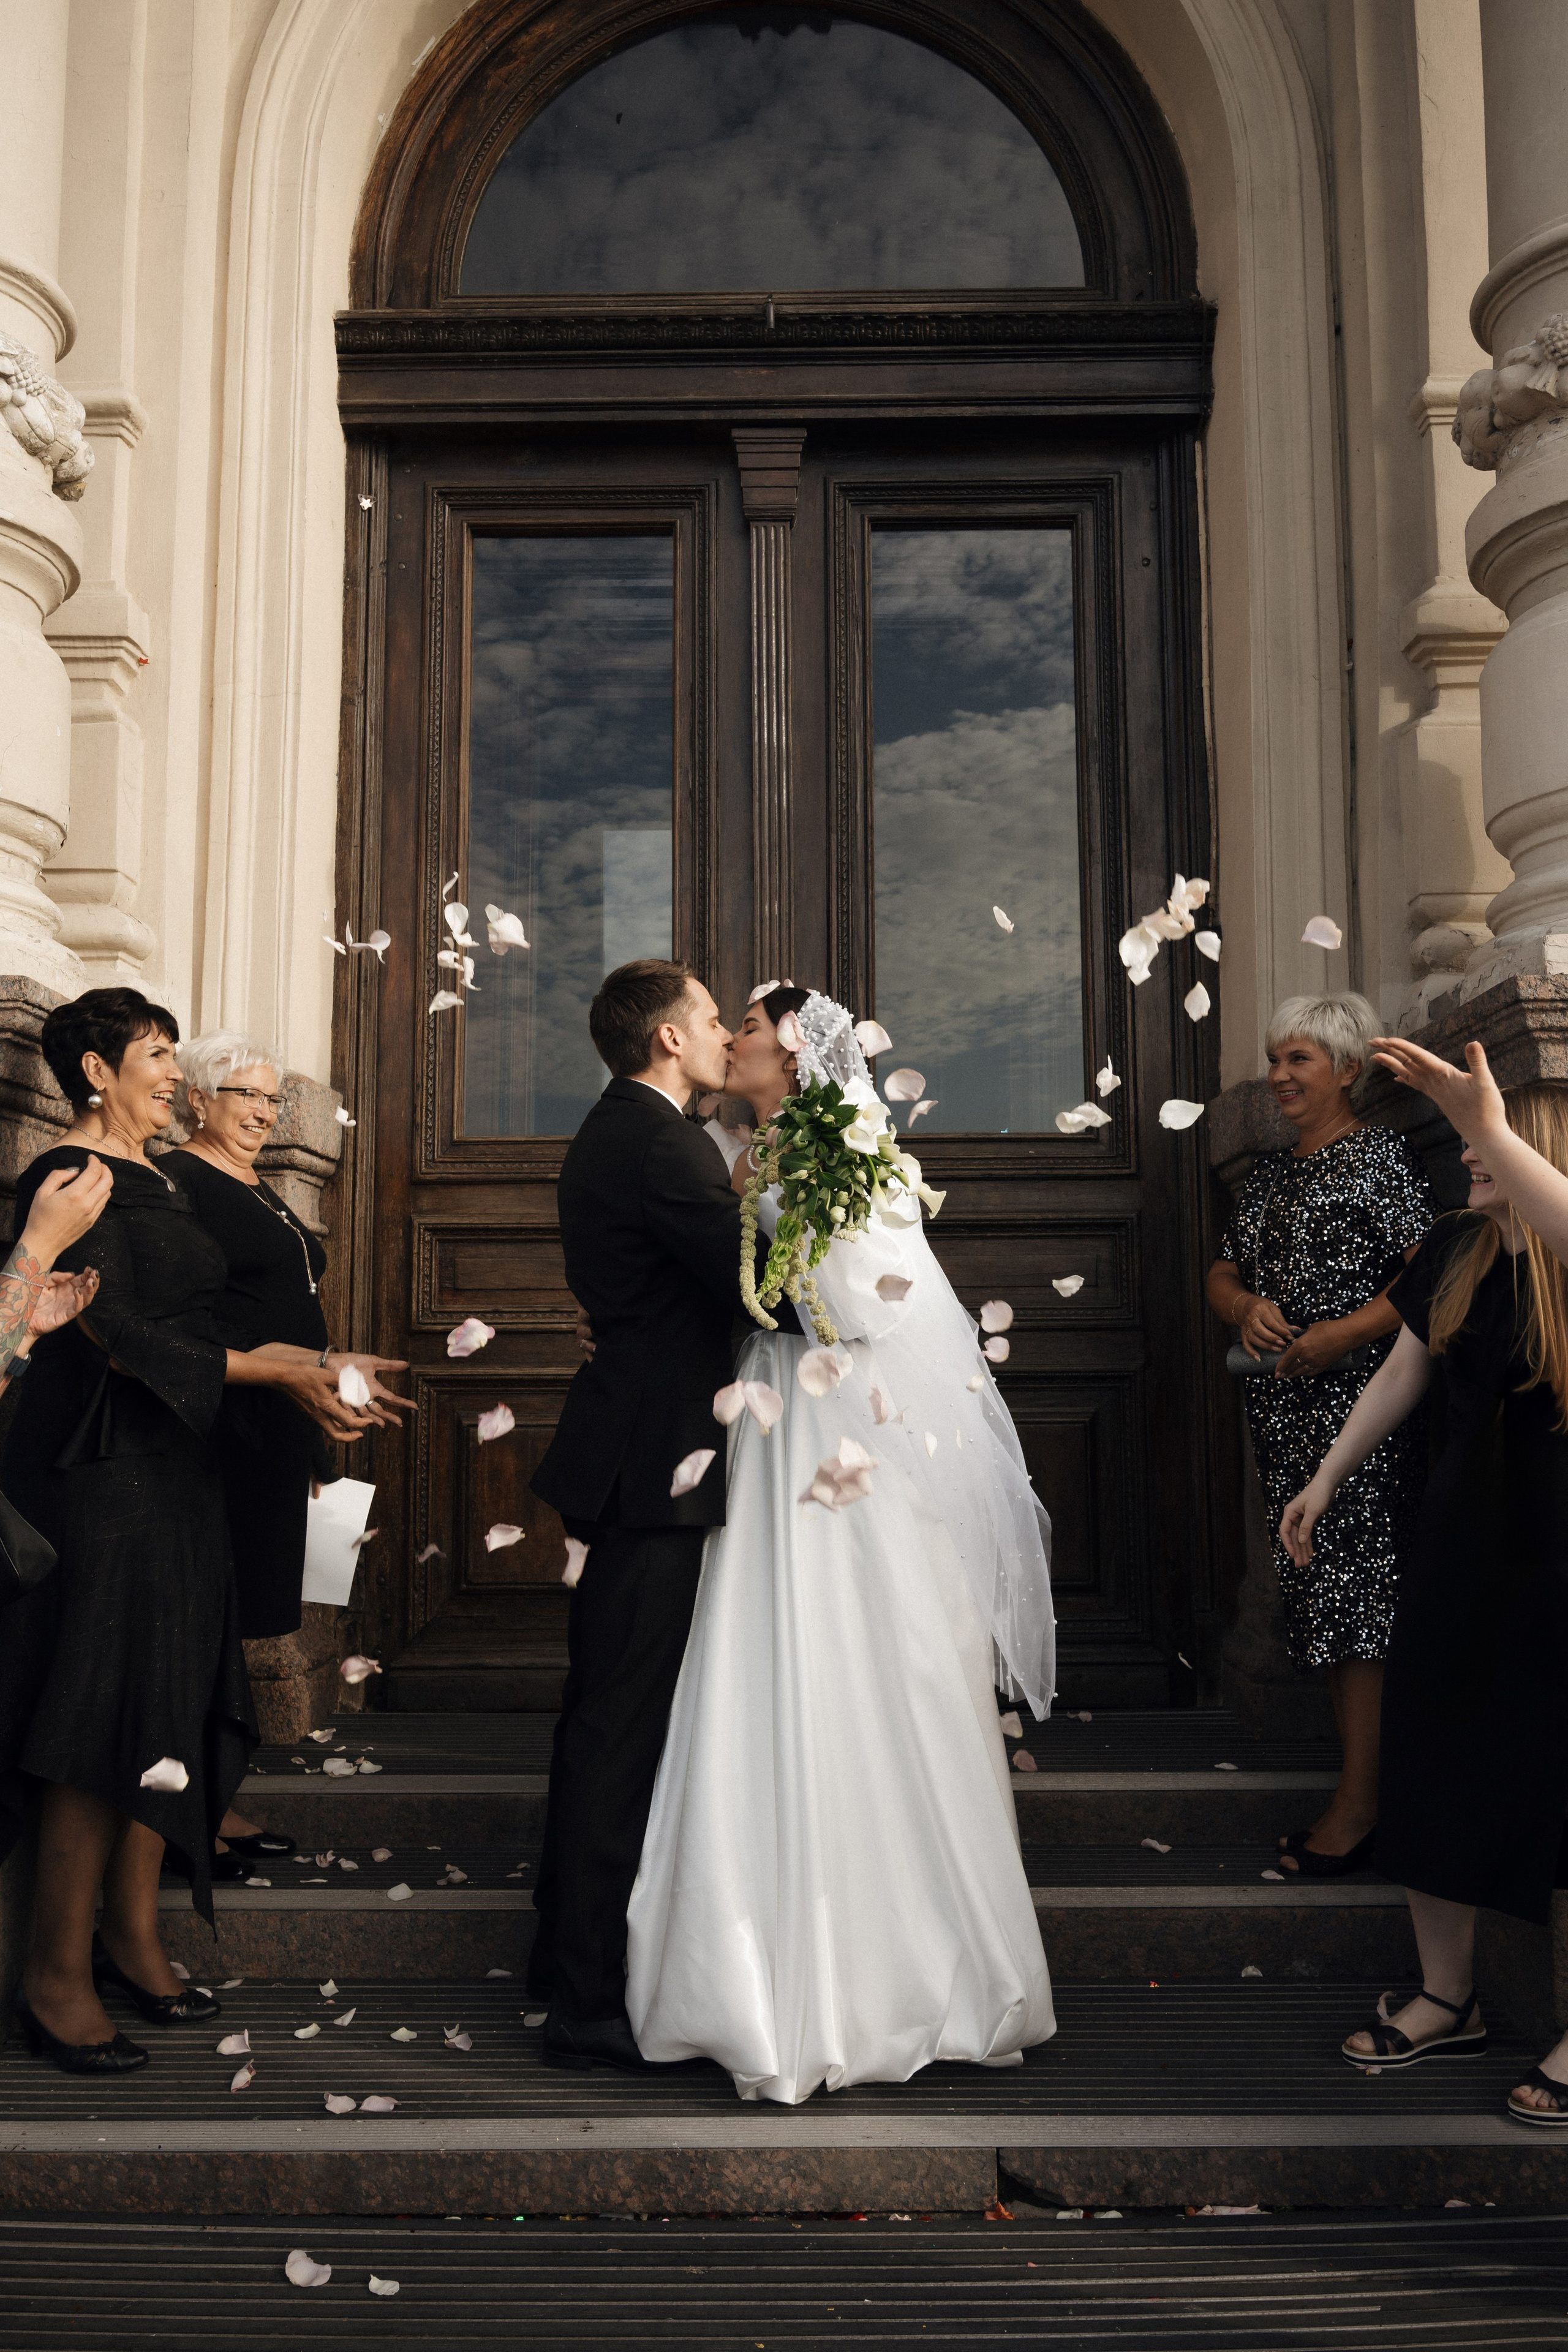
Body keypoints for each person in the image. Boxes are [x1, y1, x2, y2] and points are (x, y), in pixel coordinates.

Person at [625, 989, 1057, 2103]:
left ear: (794, 1054)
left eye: (748, 1031)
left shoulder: (846, 1141)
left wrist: (782, 1277)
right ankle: (755, 1968)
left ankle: (890, 1970)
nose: (730, 1042)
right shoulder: (746, 1144)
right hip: (775, 1416)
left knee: (868, 1655)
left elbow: (868, 1300)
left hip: (834, 1418)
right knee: (768, 1652)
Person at [0, 987, 375, 2076]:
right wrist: (284, 1369)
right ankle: (56, 1976)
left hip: (179, 1471)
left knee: (166, 1704)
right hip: (103, 1478)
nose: (173, 1073)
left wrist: (300, 1382)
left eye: (172, 1054)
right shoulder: (69, 1179)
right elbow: (117, 1334)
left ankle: (134, 1931)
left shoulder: (157, 1172)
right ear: (95, 1075)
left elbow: (204, 1318)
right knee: (100, 1719)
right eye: (154, 1055)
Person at [1283, 1034, 1568, 2129]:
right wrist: (1325, 1477)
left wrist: (1484, 1119)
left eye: (1485, 1149)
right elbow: (1406, 1366)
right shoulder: (1458, 1245)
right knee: (1433, 1751)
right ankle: (1448, 1995)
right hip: (1465, 1540)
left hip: (1558, 1553)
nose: (1468, 1163)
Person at [524, 959, 751, 2076]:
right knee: (617, 1731)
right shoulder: (661, 1141)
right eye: (711, 1019)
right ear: (668, 1037)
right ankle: (582, 2000)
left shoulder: (633, 1131)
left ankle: (555, 1956)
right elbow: (764, 1289)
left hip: (643, 1446)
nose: (721, 1034)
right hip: (651, 1464)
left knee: (602, 1719)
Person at [162, 1031, 413, 1877]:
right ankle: (178, 1815)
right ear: (199, 1099)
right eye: (247, 1097)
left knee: (252, 1621)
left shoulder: (258, 1186)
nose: (266, 1114)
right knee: (215, 1623)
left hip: (279, 1428)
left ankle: (208, 1799)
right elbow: (194, 1318)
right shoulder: (181, 1183)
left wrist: (317, 1407)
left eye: (273, 1101)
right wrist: (295, 1377)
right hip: (228, 1430)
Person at [1205, 994, 1433, 1877]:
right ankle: (1360, 1793)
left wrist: (1341, 1333)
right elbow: (1224, 1269)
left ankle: (1362, 1806)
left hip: (1364, 1417)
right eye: (1274, 1058)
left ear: (1348, 1069)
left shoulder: (1380, 1158)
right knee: (1328, 1605)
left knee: (1360, 1610)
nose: (1278, 1075)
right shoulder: (1268, 1176)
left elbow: (1428, 1279)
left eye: (1299, 1058)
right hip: (1286, 1417)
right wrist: (1243, 1306)